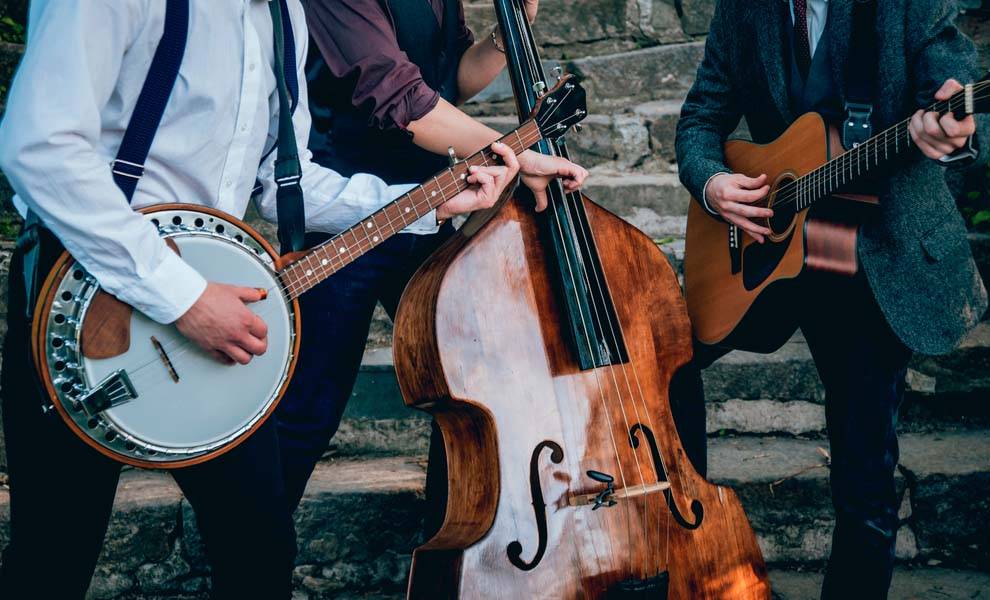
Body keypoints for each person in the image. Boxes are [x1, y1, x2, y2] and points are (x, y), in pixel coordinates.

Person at [0, 0, 577, 597]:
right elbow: (38, 147)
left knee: (259, 548)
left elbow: (289, 185)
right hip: (84, 298)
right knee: (53, 556)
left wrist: (425, 202)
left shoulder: (281, 17)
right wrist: (185, 298)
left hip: (211, 318)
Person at [673, 0, 988, 598]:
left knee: (864, 476)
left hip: (875, 251)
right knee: (667, 360)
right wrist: (714, 185)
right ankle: (688, 544)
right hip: (767, 248)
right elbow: (699, 119)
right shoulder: (745, 8)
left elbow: (958, 95)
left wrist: (951, 129)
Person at [278, 0, 588, 519]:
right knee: (309, 407)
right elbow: (401, 98)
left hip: (434, 203)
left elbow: (448, 82)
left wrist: (508, 30)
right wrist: (513, 153)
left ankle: (462, 537)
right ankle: (253, 549)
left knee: (473, 384)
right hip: (348, 214)